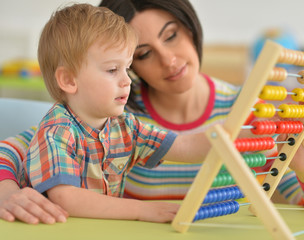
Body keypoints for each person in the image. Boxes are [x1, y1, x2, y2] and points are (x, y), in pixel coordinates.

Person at [0, 0, 304, 224]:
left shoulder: (252, 112)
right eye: (145, 54)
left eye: (172, 36)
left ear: (191, 28)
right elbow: (11, 152)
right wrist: (7, 192)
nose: (169, 60)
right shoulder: (105, 114)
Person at [20, 3, 215, 223]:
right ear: (68, 80)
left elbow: (182, 146)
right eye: (113, 70)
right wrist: (141, 210)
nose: (126, 81)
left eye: (127, 68)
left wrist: (235, 137)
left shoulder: (124, 126)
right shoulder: (57, 132)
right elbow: (66, 197)